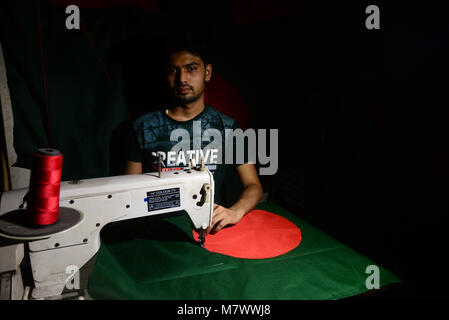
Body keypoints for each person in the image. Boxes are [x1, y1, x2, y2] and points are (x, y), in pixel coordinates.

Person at [124, 37, 263, 235]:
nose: (182, 79)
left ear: (207, 72)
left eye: (191, 69)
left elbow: (253, 185)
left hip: (208, 231)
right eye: (174, 70)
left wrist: (235, 212)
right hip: (154, 234)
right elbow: (127, 192)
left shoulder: (228, 127)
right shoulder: (143, 127)